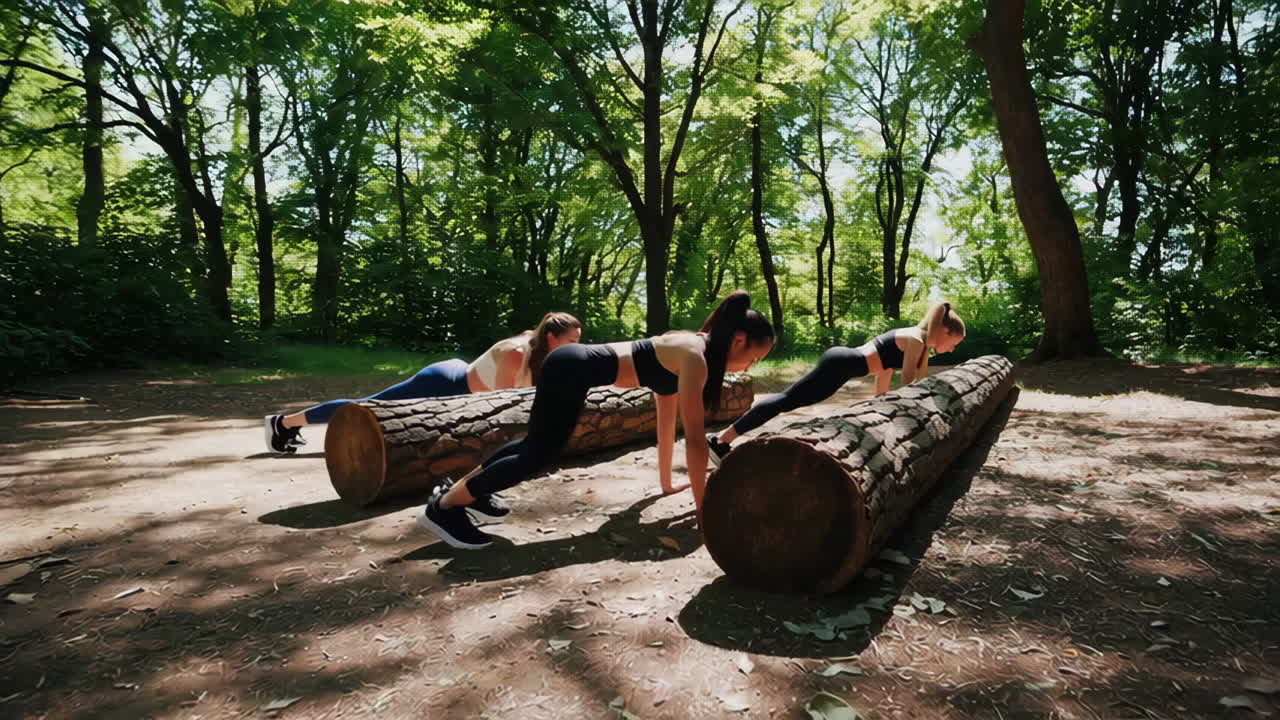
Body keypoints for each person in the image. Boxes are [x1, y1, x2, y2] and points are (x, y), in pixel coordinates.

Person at [417, 290, 775, 549]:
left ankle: (463, 493)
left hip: (572, 365)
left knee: (533, 447)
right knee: (537, 454)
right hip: (572, 367)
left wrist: (667, 485)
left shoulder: (690, 349)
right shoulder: (695, 357)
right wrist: (704, 514)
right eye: (754, 359)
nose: (750, 367)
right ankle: (445, 508)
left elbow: (668, 421)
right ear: (738, 341)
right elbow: (696, 441)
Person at [262, 312, 582, 454]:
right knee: (368, 408)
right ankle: (283, 423)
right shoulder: (517, 353)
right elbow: (503, 403)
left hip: (462, 385)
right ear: (552, 338)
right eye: (572, 340)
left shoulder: (544, 352)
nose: (577, 346)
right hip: (446, 383)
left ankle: (286, 423)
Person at [706, 301, 965, 465]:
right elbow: (909, 384)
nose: (953, 350)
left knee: (788, 400)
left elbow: (884, 369)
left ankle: (723, 439)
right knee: (786, 400)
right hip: (842, 363)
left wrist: (880, 403)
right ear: (944, 331)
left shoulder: (914, 340)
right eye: (954, 342)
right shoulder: (916, 340)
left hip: (843, 364)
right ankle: (721, 440)